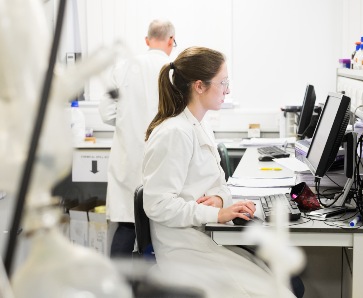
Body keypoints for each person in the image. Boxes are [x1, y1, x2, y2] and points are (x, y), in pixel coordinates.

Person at [142, 47, 299, 298]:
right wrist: (216, 211)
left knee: (277, 286)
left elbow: (218, 185)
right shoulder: (174, 133)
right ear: (199, 86)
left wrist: (220, 200)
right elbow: (158, 205)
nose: (228, 89)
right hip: (184, 251)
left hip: (205, 239)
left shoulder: (199, 124)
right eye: (223, 82)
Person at [99, 19, 176, 257]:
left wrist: (128, 123)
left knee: (127, 224)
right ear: (171, 40)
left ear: (147, 40)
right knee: (164, 227)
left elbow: (106, 112)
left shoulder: (123, 67)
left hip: (129, 158)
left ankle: (116, 290)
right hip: (164, 158)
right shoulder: (175, 69)